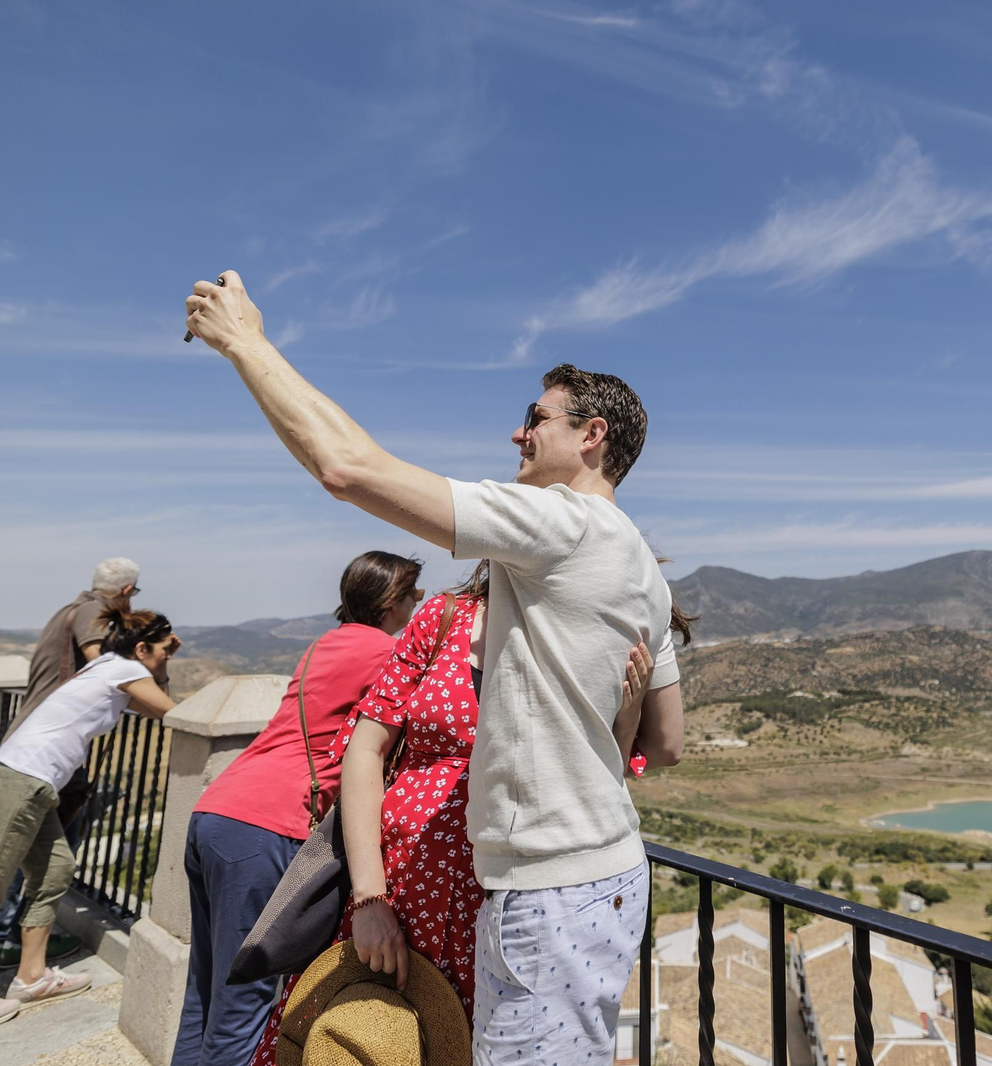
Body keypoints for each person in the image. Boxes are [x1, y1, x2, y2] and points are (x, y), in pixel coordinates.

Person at [187, 271, 687, 1064]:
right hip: (603, 875)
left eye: (536, 418)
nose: (518, 436)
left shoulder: (566, 524)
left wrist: (245, 342)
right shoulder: (646, 576)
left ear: (592, 435)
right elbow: (663, 744)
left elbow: (349, 469)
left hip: (547, 892)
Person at [248, 564, 660, 1064]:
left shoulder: (576, 631)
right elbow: (366, 750)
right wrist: (369, 899)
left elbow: (594, 783)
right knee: (364, 1038)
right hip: (398, 885)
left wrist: (630, 713)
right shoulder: (444, 617)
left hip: (504, 908)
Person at [169, 550, 424, 1066]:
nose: (419, 605)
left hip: (218, 810)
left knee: (208, 988)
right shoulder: (386, 652)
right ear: (393, 602)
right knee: (247, 1006)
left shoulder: (323, 644)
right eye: (415, 595)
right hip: (268, 824)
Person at [0, 607, 180, 1029]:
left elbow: (152, 707)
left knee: (57, 870)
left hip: (35, 785)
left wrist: (161, 663)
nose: (168, 655)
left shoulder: (109, 665)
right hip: (22, 780)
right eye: (165, 650)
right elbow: (174, 713)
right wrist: (163, 668)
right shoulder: (123, 669)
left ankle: (31, 978)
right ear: (142, 648)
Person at [0, 557, 142, 969]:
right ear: (126, 592)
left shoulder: (66, 610)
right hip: (48, 755)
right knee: (35, 854)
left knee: (44, 856)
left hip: (29, 746)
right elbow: (100, 659)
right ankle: (6, 938)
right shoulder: (93, 611)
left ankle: (12, 945)